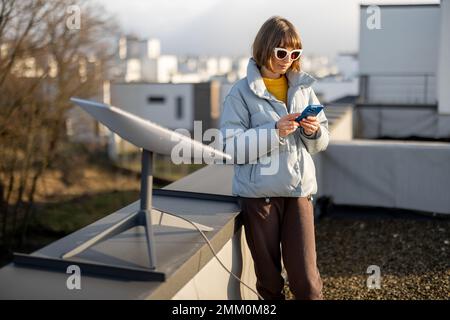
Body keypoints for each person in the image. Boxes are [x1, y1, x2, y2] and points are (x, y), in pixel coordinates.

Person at [219, 16, 329, 300]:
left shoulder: (304, 87)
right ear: (264, 48)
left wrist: (314, 131)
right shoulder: (239, 93)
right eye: (281, 52)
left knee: (307, 283)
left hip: (298, 193)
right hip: (259, 197)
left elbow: (320, 144)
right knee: (269, 284)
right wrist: (275, 131)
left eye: (295, 53)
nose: (287, 59)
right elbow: (230, 148)